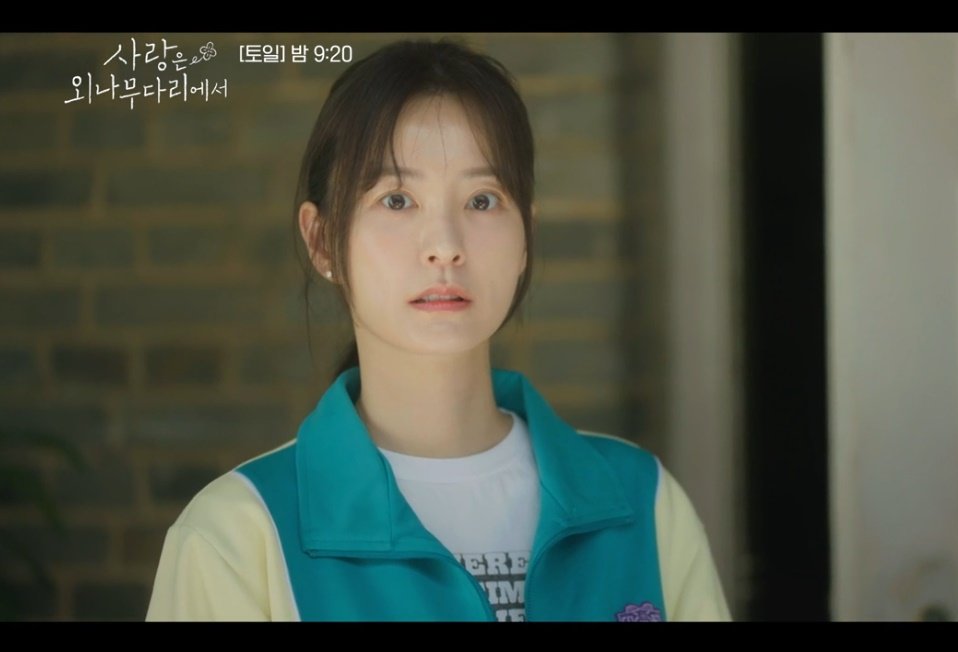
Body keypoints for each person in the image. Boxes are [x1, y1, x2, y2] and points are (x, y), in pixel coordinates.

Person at [145, 38, 731, 622]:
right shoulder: (237, 536)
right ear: (322, 241)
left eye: (482, 200)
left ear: (525, 237)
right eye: (397, 200)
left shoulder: (644, 503)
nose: (445, 246)